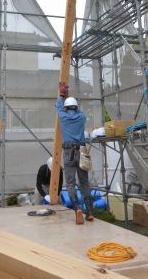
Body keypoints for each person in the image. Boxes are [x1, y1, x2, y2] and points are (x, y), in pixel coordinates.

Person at [57, 82, 94, 225]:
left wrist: (62, 95)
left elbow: (58, 107)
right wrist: (69, 97)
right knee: (84, 183)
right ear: (76, 108)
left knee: (71, 183)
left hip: (68, 152)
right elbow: (77, 110)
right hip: (81, 151)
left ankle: (77, 209)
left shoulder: (63, 117)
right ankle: (90, 212)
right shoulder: (81, 117)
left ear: (66, 108)